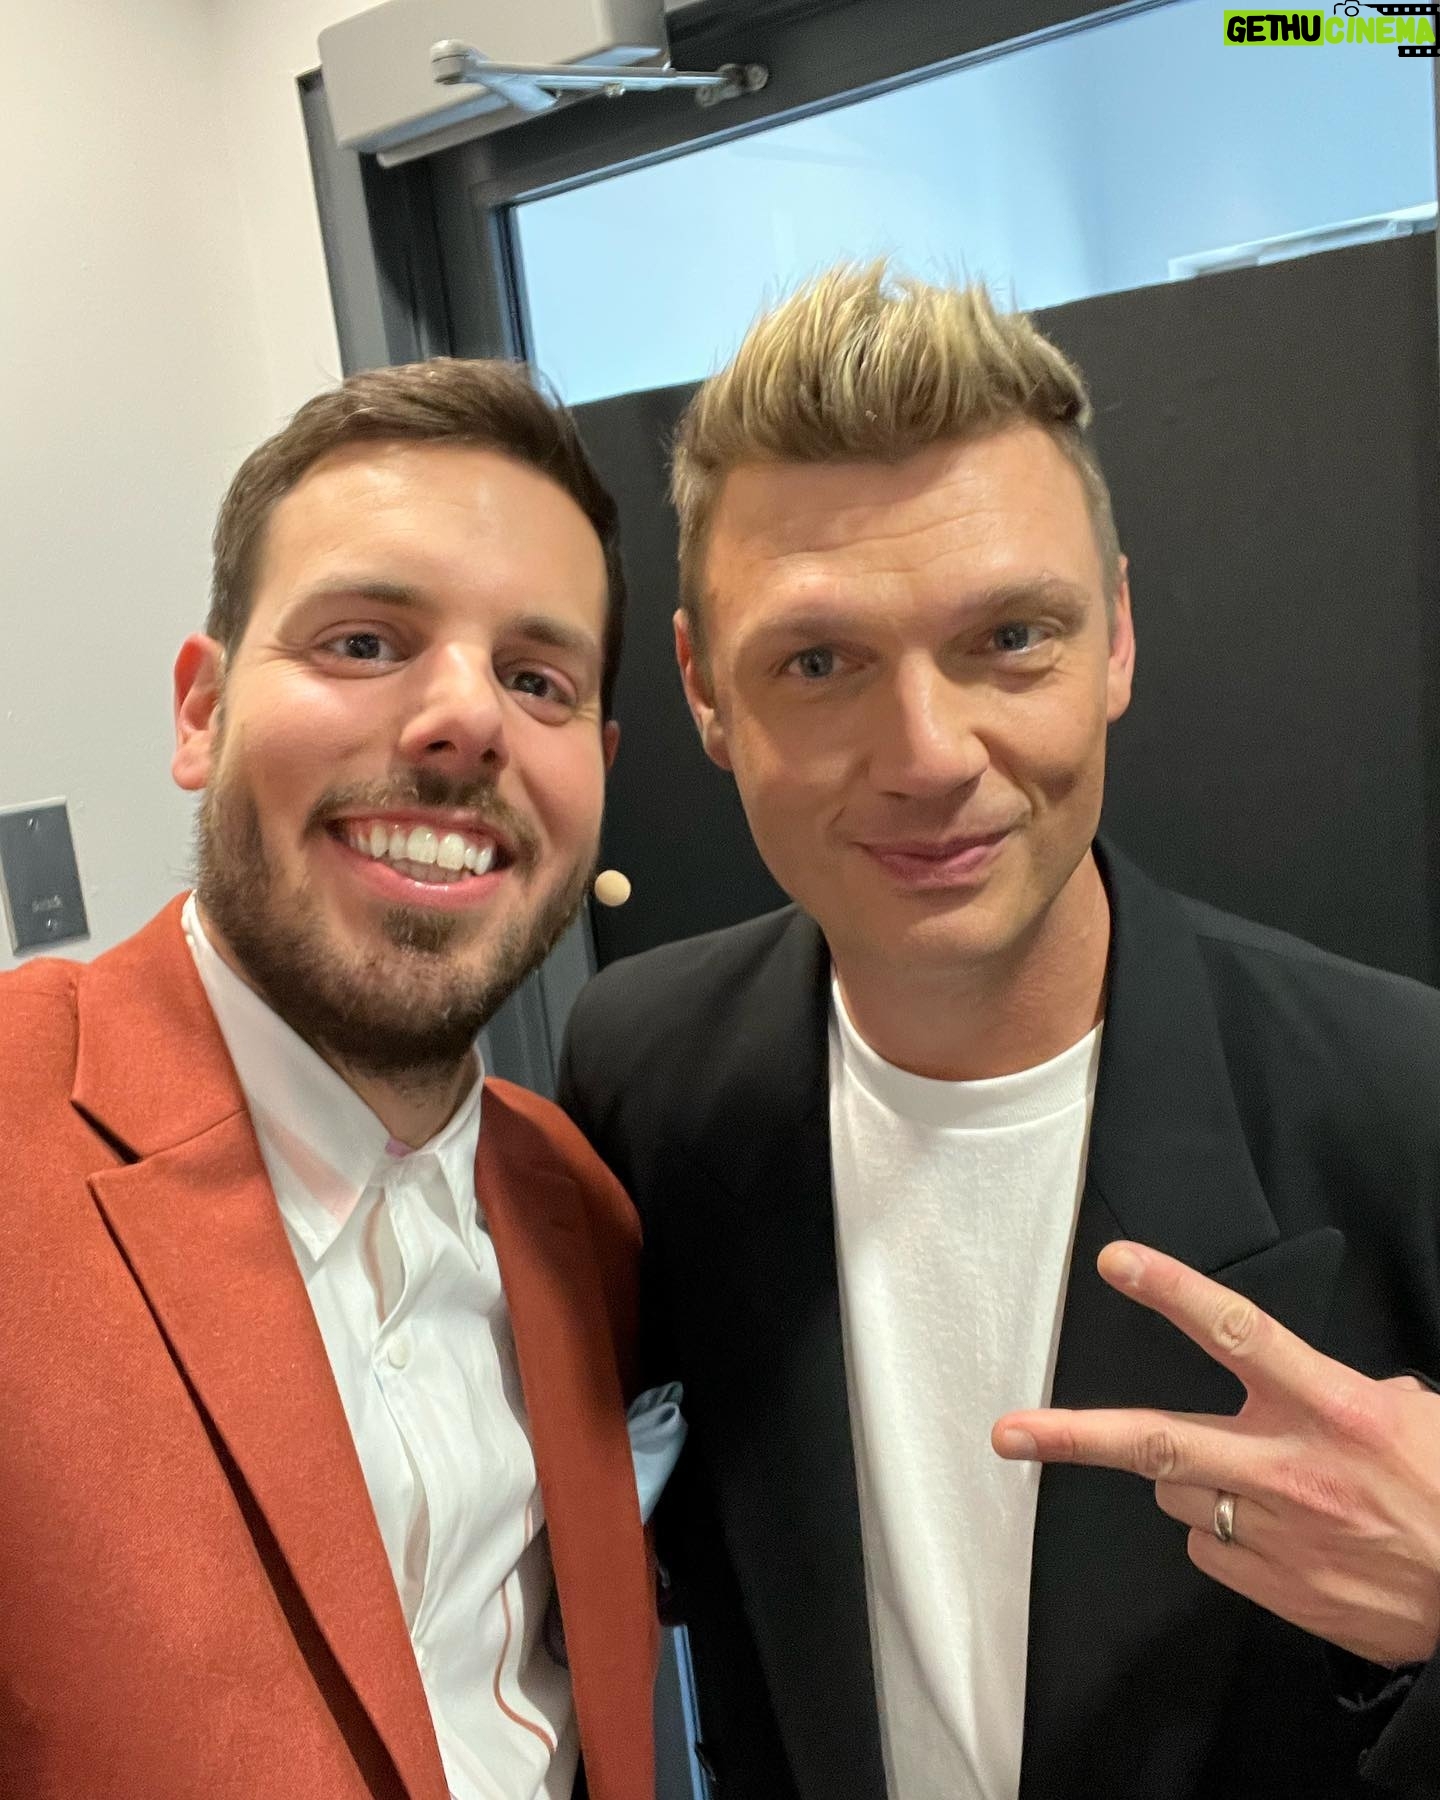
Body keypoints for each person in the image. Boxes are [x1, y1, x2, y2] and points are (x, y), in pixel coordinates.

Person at [557, 265, 1440, 1800]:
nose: (928, 756)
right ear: (704, 690)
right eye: (817, 663)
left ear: (1117, 639)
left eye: (1013, 635)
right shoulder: (642, 1070)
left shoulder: (1402, 1097)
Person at [0, 360, 657, 1800]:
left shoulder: (584, 1216)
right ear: (201, 711)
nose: (465, 720)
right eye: (365, 642)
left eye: (537, 680)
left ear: (599, 769)